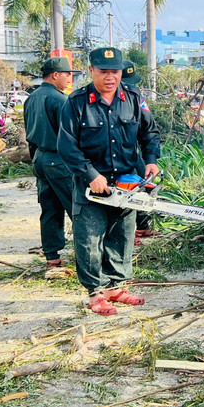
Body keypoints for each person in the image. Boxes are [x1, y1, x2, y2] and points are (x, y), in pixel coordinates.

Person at [58, 47, 160, 315]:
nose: (110, 77)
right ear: (91, 71)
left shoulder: (134, 98)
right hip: (90, 185)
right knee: (90, 238)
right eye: (103, 72)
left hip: (125, 182)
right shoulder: (77, 102)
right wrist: (91, 175)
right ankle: (95, 293)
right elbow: (67, 146)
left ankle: (116, 286)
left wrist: (150, 160)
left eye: (114, 72)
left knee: (121, 235)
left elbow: (149, 133)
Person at [23, 57, 77, 269]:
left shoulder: (31, 98)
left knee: (49, 209)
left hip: (40, 158)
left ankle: (52, 257)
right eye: (67, 74)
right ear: (55, 75)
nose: (69, 78)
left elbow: (29, 134)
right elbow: (71, 137)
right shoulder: (60, 100)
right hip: (59, 160)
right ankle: (88, 257)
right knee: (79, 209)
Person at [121, 60, 158, 242]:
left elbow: (149, 128)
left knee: (143, 187)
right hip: (121, 156)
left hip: (133, 152)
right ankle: (129, 232)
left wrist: (150, 158)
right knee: (125, 192)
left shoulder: (135, 98)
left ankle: (141, 227)